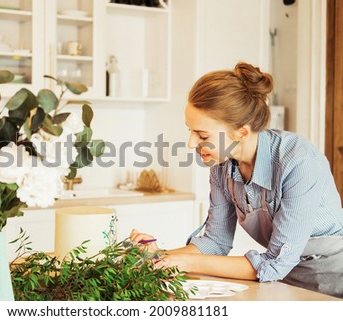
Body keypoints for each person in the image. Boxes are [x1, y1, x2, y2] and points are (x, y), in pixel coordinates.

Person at [130, 62, 343, 298]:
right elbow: (216, 242)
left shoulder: (298, 160)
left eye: (202, 135)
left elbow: (275, 263)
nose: (191, 143)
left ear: (241, 132)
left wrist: (184, 263)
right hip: (285, 281)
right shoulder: (222, 165)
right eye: (190, 131)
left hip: (333, 281)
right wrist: (159, 257)